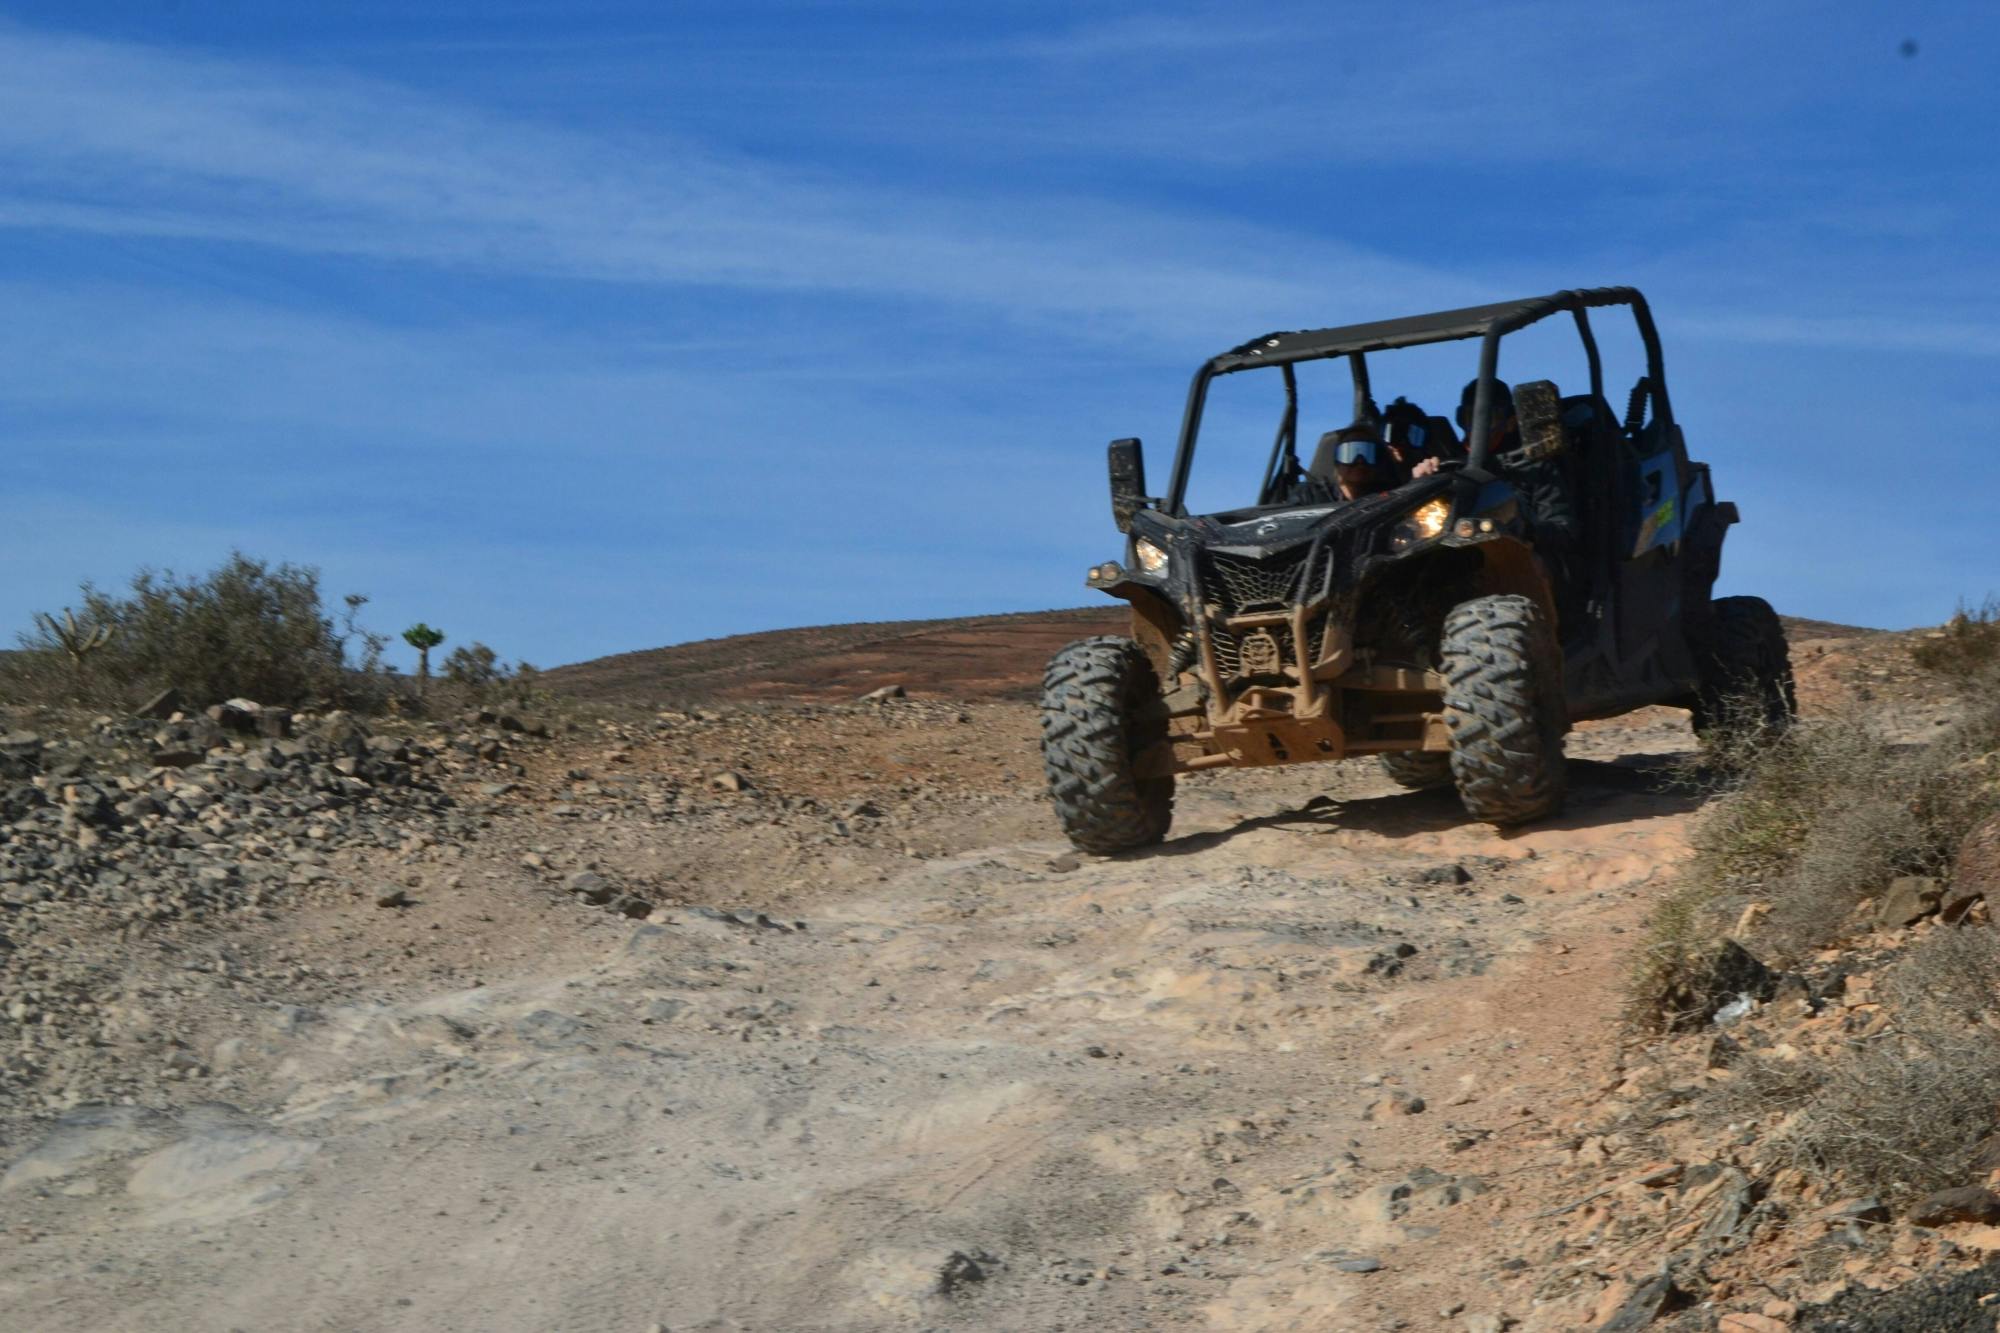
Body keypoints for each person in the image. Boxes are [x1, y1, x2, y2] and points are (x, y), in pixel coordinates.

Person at [1309, 426, 1395, 500]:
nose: (1360, 461)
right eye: (1349, 453)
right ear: (1337, 462)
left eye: (1368, 453)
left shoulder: (1391, 501)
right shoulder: (1309, 498)